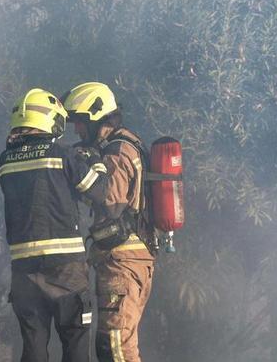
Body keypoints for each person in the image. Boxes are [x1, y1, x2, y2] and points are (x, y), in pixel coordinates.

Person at [0, 88, 110, 362]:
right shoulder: (62, 154)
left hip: (24, 268)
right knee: (74, 340)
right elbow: (99, 191)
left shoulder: (4, 161)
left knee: (33, 344)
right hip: (65, 268)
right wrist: (94, 159)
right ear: (50, 120)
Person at [63, 82, 156, 362]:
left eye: (81, 123)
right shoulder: (126, 144)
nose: (78, 130)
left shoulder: (117, 151)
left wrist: (86, 175)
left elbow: (112, 202)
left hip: (122, 262)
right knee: (118, 345)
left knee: (115, 347)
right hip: (127, 259)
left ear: (97, 117)